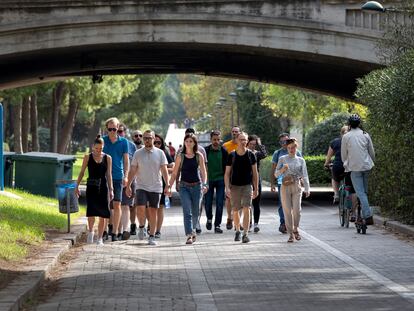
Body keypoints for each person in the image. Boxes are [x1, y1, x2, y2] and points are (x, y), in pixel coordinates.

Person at [126, 130, 171, 246]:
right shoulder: (138, 153)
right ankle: (141, 226)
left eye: (149, 138)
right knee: (140, 208)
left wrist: (168, 185)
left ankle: (151, 236)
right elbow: (133, 170)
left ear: (154, 138)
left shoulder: (160, 153)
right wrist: (128, 185)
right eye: (145, 138)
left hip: (156, 187)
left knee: (153, 212)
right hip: (141, 185)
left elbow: (164, 170)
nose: (147, 140)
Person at [169, 133, 208, 245]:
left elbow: (203, 172)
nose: (188, 143)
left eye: (191, 141)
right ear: (184, 142)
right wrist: (169, 186)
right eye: (187, 141)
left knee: (195, 211)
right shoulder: (180, 156)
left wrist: (205, 184)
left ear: (194, 143)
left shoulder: (199, 155)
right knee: (187, 211)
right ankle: (189, 235)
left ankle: (194, 230)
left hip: (197, 186)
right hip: (184, 186)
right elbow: (175, 172)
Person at [75, 135, 113, 246]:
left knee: (103, 213)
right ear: (93, 147)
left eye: (101, 148)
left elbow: (109, 175)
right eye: (97, 148)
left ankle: (100, 238)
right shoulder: (88, 157)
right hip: (91, 187)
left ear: (103, 147)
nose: (98, 151)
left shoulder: (108, 158)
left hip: (103, 188)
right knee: (91, 212)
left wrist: (111, 189)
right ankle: (91, 231)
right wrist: (76, 186)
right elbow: (82, 172)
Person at [341, 114, 375, 225]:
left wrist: (346, 164)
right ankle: (363, 214)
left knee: (360, 193)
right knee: (364, 192)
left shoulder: (346, 136)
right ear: (359, 124)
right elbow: (371, 152)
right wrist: (372, 162)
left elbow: (343, 155)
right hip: (366, 166)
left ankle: (368, 215)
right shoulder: (366, 135)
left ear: (349, 125)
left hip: (354, 168)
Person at [224, 132, 259, 244]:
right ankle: (238, 230)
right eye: (241, 139)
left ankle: (245, 234)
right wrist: (227, 188)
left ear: (247, 141)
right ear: (237, 140)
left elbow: (255, 173)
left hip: (247, 186)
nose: (243, 142)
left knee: (247, 208)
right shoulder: (232, 155)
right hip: (234, 186)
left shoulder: (251, 155)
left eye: (245, 140)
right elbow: (227, 173)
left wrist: (256, 188)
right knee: (235, 210)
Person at [275, 138, 310, 243]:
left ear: (296, 147)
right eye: (289, 148)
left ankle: (296, 228)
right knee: (287, 211)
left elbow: (305, 175)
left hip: (296, 185)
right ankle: (290, 234)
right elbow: (276, 174)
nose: (291, 150)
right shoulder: (282, 158)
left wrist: (307, 188)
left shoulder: (301, 160)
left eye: (293, 147)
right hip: (285, 186)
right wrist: (282, 170)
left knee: (297, 210)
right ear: (287, 148)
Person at [103, 117, 129, 242]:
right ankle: (106, 228)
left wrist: (126, 176)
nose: (113, 131)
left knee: (117, 204)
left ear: (118, 128)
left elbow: (126, 160)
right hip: (104, 177)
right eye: (110, 129)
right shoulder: (102, 141)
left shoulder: (124, 142)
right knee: (105, 204)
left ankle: (114, 232)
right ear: (106, 129)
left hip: (118, 177)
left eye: (115, 129)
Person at [270, 133, 302, 234]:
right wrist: (272, 183)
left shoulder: (298, 152)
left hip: (295, 182)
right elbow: (274, 169)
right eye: (282, 141)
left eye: (286, 141)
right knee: (282, 204)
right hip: (282, 182)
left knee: (295, 205)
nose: (284, 143)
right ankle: (283, 223)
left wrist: (302, 180)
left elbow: (301, 167)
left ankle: (293, 225)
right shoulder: (277, 153)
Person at [204, 130, 228, 233]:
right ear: (211, 139)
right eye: (214, 139)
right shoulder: (205, 151)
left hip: (220, 180)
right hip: (209, 180)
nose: (216, 141)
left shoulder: (224, 151)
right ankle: (209, 219)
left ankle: (217, 225)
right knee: (208, 203)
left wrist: (228, 182)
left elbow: (228, 168)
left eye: (218, 139)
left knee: (219, 203)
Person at [116, 123, 137, 239]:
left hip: (128, 179)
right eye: (115, 131)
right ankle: (116, 231)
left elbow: (134, 165)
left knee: (126, 206)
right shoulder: (110, 143)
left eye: (120, 131)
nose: (118, 133)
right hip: (115, 179)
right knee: (115, 206)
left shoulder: (131, 146)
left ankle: (125, 230)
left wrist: (130, 181)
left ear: (124, 132)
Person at [154, 134, 175, 238]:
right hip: (148, 183)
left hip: (161, 183)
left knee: (160, 207)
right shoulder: (144, 152)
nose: (157, 144)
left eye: (159, 143)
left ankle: (157, 230)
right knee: (150, 208)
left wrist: (163, 170)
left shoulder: (164, 152)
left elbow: (173, 166)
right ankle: (151, 225)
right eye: (155, 142)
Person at [247, 134, 268, 233]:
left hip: (256, 180)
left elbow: (264, 154)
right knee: (247, 204)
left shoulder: (257, 154)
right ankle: (249, 223)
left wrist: (260, 144)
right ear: (247, 143)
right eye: (251, 144)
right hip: (246, 180)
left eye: (254, 145)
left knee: (256, 203)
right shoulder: (244, 153)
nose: (252, 146)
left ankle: (256, 223)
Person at [222, 126, 241, 230]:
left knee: (239, 200)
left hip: (241, 175)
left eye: (236, 132)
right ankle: (229, 218)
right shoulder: (226, 145)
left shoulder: (242, 144)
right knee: (229, 199)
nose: (235, 133)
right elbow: (224, 162)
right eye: (233, 132)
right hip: (230, 175)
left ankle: (237, 219)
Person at [324, 125, 348, 204]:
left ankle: (336, 194)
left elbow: (329, 156)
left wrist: (326, 164)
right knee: (351, 183)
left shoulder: (335, 142)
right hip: (350, 166)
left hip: (338, 165)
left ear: (341, 134)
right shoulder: (353, 141)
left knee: (334, 178)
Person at [130, 129, 143, 234]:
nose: (138, 137)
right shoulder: (129, 148)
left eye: (140, 135)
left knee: (142, 205)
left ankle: (143, 225)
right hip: (133, 180)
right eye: (136, 135)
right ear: (132, 137)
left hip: (143, 180)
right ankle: (133, 224)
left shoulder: (145, 149)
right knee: (132, 205)